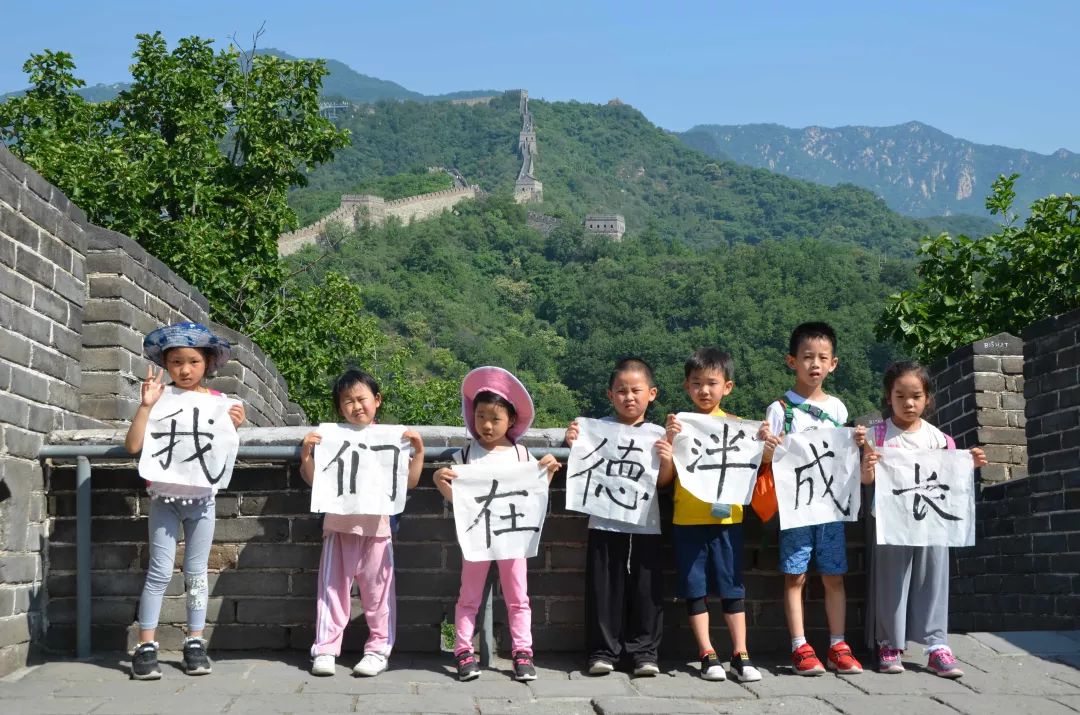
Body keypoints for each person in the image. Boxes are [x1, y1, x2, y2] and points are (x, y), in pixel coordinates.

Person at [125, 322, 245, 680]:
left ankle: (194, 641)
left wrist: (232, 427)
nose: (185, 369)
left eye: (193, 361)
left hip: (202, 501)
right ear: (166, 364)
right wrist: (145, 406)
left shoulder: (220, 405)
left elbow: (220, 453)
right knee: (159, 572)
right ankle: (146, 644)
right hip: (164, 497)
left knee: (196, 575)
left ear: (208, 364)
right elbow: (133, 446)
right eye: (176, 361)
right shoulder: (158, 399)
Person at [856, 361, 987, 678]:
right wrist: (868, 467)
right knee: (891, 582)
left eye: (916, 395)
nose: (908, 403)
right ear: (889, 397)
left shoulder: (941, 441)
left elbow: (949, 483)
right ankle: (889, 644)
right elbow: (864, 481)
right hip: (890, 521)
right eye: (900, 396)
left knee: (934, 579)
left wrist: (969, 466)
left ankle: (936, 645)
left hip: (932, 522)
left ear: (928, 398)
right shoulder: (877, 435)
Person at [434, 366, 560, 682]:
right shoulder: (466, 455)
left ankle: (522, 653)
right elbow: (458, 499)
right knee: (468, 595)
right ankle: (462, 650)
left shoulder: (521, 454)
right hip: (477, 536)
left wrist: (548, 469)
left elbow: (536, 490)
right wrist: (439, 481)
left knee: (519, 597)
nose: (487, 426)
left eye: (495, 419)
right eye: (480, 417)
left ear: (512, 421)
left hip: (513, 538)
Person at [300, 369, 424, 677]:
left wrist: (418, 451)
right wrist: (306, 455)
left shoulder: (390, 439)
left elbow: (408, 483)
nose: (356, 406)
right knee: (331, 590)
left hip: (378, 529)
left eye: (362, 399)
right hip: (338, 527)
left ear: (377, 401)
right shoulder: (332, 437)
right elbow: (317, 482)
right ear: (339, 407)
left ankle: (378, 649)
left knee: (378, 593)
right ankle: (326, 649)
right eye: (347, 401)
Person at [759, 322, 862, 676]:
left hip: (830, 506)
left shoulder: (838, 408)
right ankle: (799, 646)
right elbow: (766, 462)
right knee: (795, 575)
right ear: (792, 361)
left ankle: (837, 644)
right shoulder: (779, 409)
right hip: (795, 507)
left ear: (834, 363)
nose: (814, 365)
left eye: (822, 358)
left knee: (834, 575)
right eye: (806, 357)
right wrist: (769, 449)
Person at [564, 358, 674, 677]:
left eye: (636, 390)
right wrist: (574, 443)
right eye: (621, 391)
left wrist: (666, 460)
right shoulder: (597, 430)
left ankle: (644, 653)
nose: (629, 397)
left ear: (651, 394)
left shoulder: (657, 434)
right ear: (609, 395)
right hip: (604, 520)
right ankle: (602, 652)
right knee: (603, 588)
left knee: (646, 589)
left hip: (646, 524)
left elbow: (664, 482)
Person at [665, 348, 762, 683]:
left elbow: (760, 464)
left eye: (712, 383)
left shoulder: (737, 426)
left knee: (732, 587)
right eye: (696, 384)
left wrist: (765, 444)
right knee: (695, 587)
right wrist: (669, 437)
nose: (704, 391)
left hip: (727, 519)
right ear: (686, 387)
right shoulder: (680, 425)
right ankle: (706, 652)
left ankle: (741, 653)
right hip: (687, 519)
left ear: (727, 387)